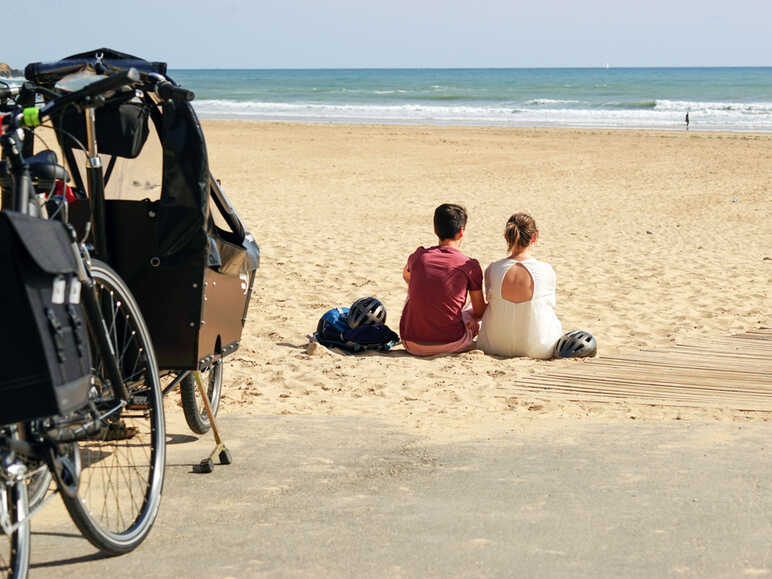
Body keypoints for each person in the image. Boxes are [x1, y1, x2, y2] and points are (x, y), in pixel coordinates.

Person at [399, 203, 486, 356]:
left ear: (435, 230)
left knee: (416, 289)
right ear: (461, 231)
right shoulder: (469, 265)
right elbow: (479, 311)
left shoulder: (418, 256)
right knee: (473, 307)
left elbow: (406, 277)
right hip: (452, 342)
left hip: (411, 343)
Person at [478, 213, 563, 359]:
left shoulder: (493, 269)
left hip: (495, 345)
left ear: (506, 237)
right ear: (534, 237)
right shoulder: (546, 269)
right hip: (537, 347)